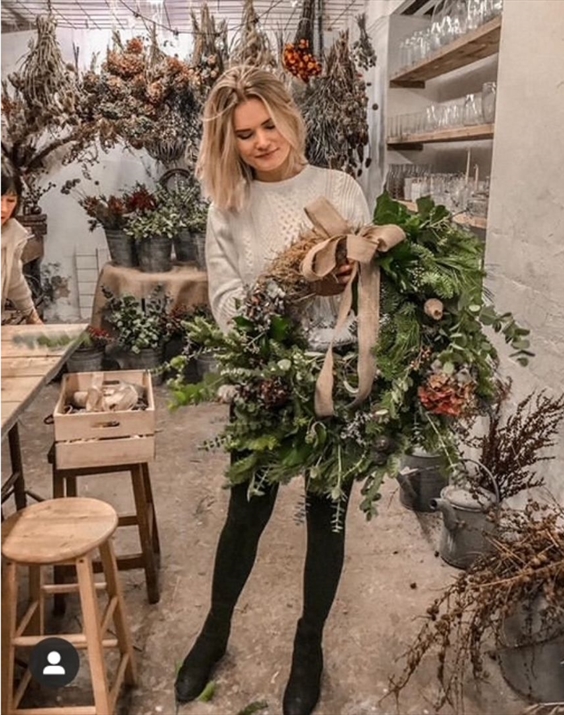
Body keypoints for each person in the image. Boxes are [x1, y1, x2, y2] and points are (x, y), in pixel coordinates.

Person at [174, 65, 371, 715]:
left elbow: (367, 286)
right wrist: (294, 288)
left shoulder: (340, 188)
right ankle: (216, 627)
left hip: (334, 379)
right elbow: (229, 305)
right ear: (231, 144)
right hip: (261, 385)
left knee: (327, 511)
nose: (261, 141)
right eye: (245, 135)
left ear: (289, 116)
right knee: (245, 511)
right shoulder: (228, 207)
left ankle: (308, 643)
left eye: (267, 125)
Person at [1, 170, 43, 325]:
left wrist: (32, 316)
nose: (3, 209)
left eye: (10, 201)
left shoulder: (13, 232)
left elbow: (14, 278)